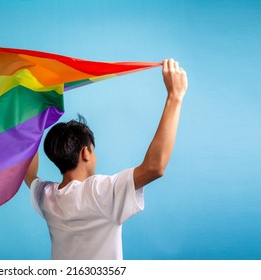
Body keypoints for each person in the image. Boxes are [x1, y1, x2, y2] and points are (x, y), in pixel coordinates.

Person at [24, 58, 188, 260]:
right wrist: (175, 96)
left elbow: (29, 174)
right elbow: (155, 167)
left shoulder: (45, 197)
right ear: (85, 153)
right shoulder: (99, 192)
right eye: (93, 150)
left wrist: (29, 118)